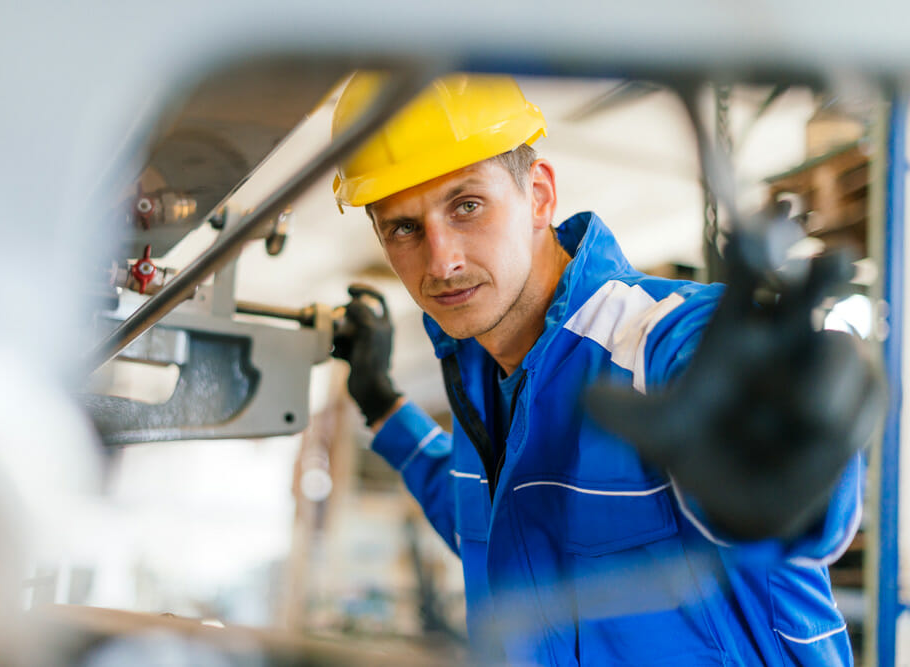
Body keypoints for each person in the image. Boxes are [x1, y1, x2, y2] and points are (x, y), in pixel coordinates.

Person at [329, 72, 882, 666]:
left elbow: (781, 475)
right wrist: (383, 405)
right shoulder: (478, 374)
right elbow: (499, 529)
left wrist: (786, 468)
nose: (442, 261)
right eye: (404, 228)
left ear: (539, 195)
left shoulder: (655, 341)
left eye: (467, 205)